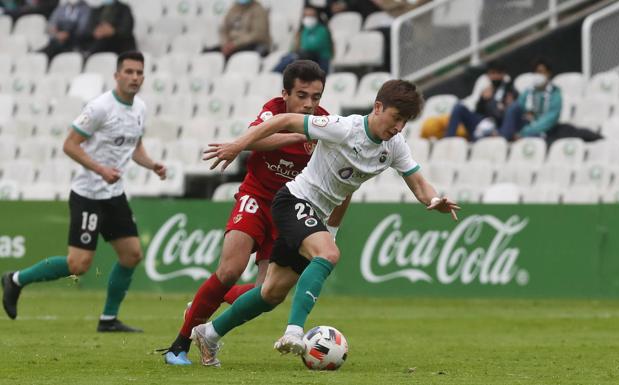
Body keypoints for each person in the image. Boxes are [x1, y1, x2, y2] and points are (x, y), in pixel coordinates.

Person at [192, 79, 460, 366]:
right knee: (329, 253)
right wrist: (237, 146)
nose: (398, 127)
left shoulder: (394, 146)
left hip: (314, 216)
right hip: (293, 200)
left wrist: (434, 201)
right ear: (378, 107)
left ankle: (208, 333)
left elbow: (420, 185)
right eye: (396, 118)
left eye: (405, 121)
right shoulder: (344, 128)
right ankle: (294, 333)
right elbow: (285, 119)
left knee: (270, 293)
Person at [161, 60, 351, 365]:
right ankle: (178, 346)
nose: (309, 104)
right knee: (229, 270)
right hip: (256, 198)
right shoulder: (273, 110)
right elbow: (257, 139)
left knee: (268, 293)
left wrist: (331, 229)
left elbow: (344, 179)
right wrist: (299, 134)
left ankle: (203, 309)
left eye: (316, 97)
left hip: (290, 209)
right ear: (285, 93)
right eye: (302, 96)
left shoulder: (327, 124)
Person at [1, 51, 167, 333]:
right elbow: (70, 144)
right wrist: (101, 169)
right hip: (88, 195)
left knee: (132, 255)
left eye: (139, 72)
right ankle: (16, 279)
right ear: (117, 75)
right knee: (78, 265)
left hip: (114, 195)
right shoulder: (100, 107)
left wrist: (152, 164)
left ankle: (108, 319)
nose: (135, 77)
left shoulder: (140, 107)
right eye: (129, 72)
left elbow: (134, 147)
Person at [445, 61, 517, 140]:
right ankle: (448, 140)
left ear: (503, 74)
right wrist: (483, 99)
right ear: (488, 75)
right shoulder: (486, 88)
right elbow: (478, 110)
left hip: (497, 126)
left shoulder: (509, 89)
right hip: (481, 121)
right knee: (458, 108)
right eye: (493, 73)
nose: (495, 76)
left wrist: (499, 103)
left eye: (498, 73)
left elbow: (505, 116)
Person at [499, 58, 562, 141]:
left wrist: (524, 132)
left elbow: (550, 119)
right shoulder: (529, 91)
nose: (538, 75)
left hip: (543, 130)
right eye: (536, 72)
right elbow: (519, 107)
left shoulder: (555, 93)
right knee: (513, 108)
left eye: (541, 72)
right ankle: (503, 138)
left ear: (548, 73)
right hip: (526, 125)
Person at [274, 6, 333, 74]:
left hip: (320, 61)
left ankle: (274, 74)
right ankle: (274, 77)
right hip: (304, 59)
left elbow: (314, 47)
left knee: (294, 58)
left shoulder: (322, 30)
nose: (308, 18)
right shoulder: (303, 30)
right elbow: (293, 47)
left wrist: (299, 50)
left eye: (311, 15)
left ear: (317, 17)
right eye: (306, 15)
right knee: (287, 57)